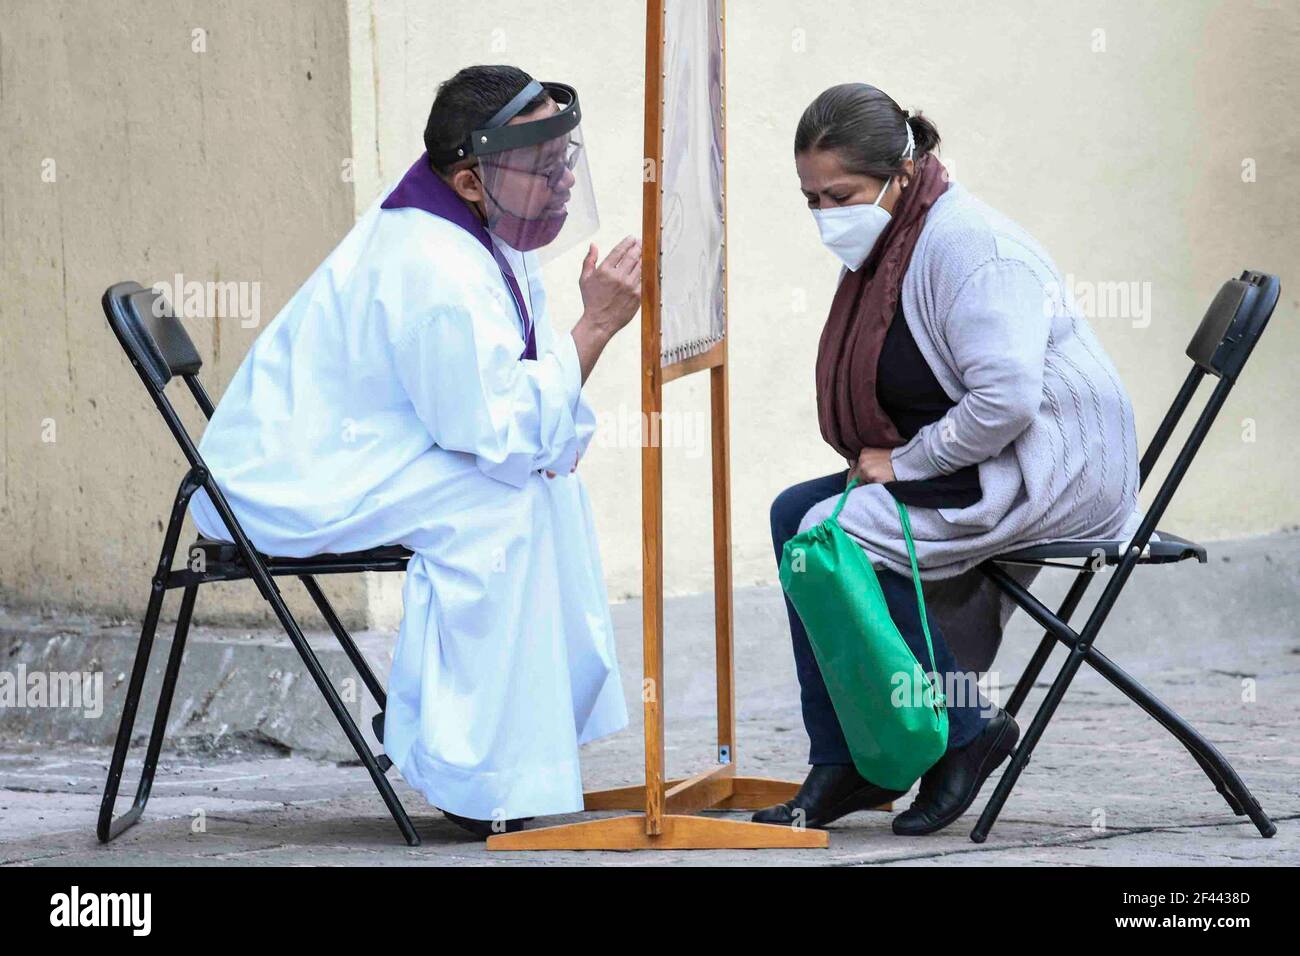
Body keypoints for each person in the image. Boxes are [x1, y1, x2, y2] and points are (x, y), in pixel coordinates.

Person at [188, 65, 642, 838]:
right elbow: (492, 429)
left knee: (547, 482)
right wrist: (594, 328)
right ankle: (472, 777)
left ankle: (529, 750)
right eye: (542, 168)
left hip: (368, 447)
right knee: (502, 505)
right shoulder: (431, 264)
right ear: (471, 180)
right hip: (292, 476)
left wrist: (556, 430)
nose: (563, 181)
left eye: (564, 159)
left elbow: (506, 404)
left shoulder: (487, 229)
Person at [754, 83, 1141, 836]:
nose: (828, 215)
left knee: (834, 535)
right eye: (812, 200)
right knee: (790, 516)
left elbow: (1008, 403)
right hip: (971, 450)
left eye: (842, 194)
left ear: (902, 173)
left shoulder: (971, 248)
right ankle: (847, 760)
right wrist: (908, 458)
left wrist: (906, 462)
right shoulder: (893, 238)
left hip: (1048, 466)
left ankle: (967, 731)